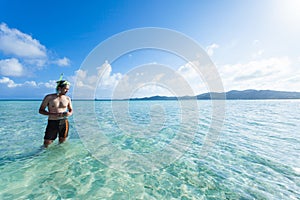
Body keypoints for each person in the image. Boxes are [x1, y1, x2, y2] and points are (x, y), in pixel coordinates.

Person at [39, 78, 73, 147]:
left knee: (62, 143)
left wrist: (69, 113)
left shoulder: (67, 98)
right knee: (47, 144)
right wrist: (53, 114)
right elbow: (41, 110)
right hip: (52, 122)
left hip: (64, 122)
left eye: (68, 89)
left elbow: (71, 110)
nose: (67, 91)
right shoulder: (49, 97)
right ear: (60, 88)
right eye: (65, 89)